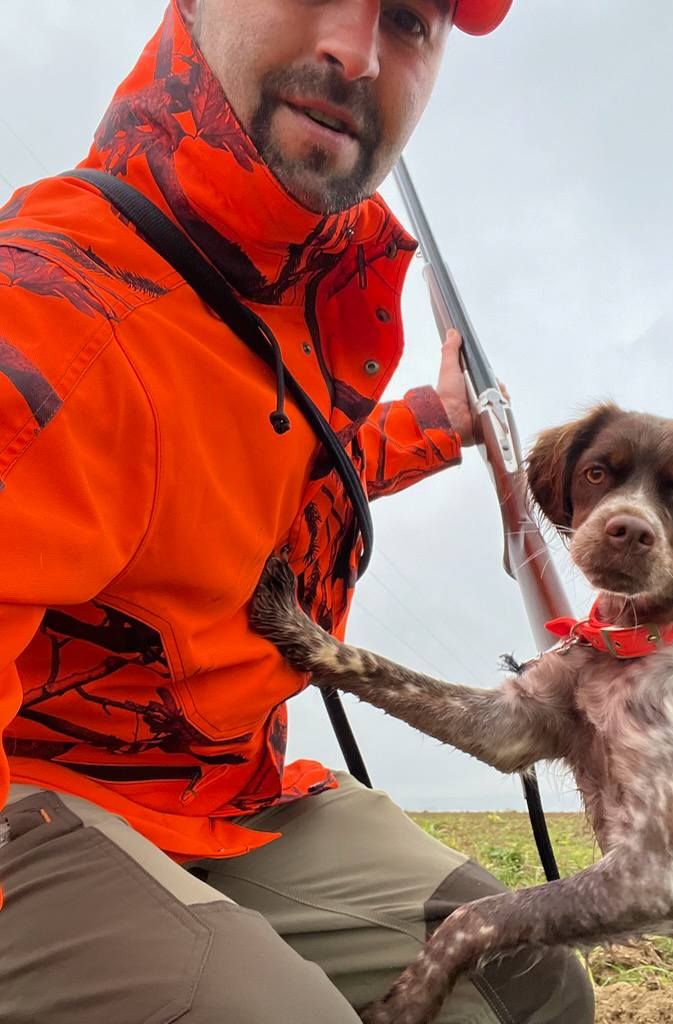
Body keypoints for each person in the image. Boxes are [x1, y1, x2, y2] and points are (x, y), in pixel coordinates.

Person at [0, 2, 594, 1021]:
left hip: (221, 792)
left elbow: (268, 481)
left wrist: (435, 423)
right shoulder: (51, 311)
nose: (355, 51)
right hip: (36, 788)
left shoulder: (296, 301)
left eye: (408, 20)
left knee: (526, 979)